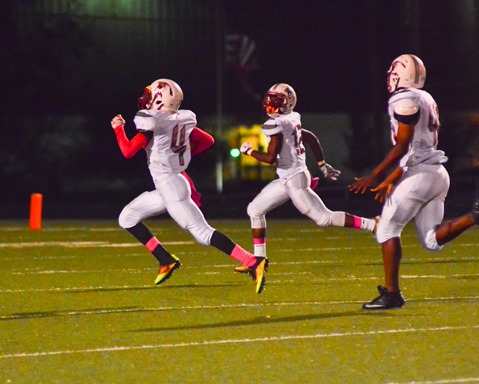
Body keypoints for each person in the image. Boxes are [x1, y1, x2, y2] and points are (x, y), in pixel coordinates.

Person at [110, 78, 268, 294]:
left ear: (159, 100)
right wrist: (180, 154)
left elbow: (128, 151)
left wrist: (119, 129)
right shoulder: (181, 120)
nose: (146, 99)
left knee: (202, 233)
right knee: (127, 217)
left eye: (150, 95)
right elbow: (208, 141)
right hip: (169, 185)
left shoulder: (152, 124)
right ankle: (165, 260)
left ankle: (252, 261)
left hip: (171, 186)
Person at [349, 54, 479, 310]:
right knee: (431, 241)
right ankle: (475, 215)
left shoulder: (404, 98)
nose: (390, 77)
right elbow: (412, 151)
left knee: (386, 228)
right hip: (436, 173)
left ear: (401, 74)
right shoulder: (425, 97)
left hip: (421, 174)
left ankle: (392, 294)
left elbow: (403, 145)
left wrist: (374, 175)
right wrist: (392, 179)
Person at [235, 83, 378, 273]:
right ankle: (259, 259)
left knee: (324, 219)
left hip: (295, 179)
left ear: (288, 103)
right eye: (270, 99)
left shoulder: (277, 124)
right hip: (288, 178)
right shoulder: (291, 118)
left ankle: (373, 224)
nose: (270, 104)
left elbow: (270, 158)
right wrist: (322, 165)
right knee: (254, 209)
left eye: (276, 101)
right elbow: (309, 137)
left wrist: (250, 151)